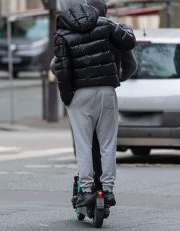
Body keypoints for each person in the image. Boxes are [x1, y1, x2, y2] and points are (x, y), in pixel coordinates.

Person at [54, 0, 136, 207]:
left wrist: (67, 98)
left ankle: (87, 191)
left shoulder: (62, 33)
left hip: (80, 94)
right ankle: (107, 190)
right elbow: (129, 44)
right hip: (107, 90)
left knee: (83, 144)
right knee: (108, 143)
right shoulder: (105, 25)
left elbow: (61, 70)